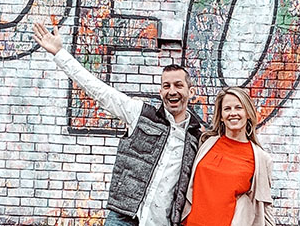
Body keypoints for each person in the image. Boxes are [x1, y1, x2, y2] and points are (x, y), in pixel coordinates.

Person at [32, 23, 203, 226]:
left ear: (191, 92)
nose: (172, 91)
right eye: (166, 86)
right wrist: (60, 53)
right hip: (123, 217)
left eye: (178, 85)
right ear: (160, 92)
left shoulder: (198, 137)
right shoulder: (142, 114)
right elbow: (99, 91)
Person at [181, 87, 275, 226]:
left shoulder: (260, 158)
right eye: (227, 109)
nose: (233, 113)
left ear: (248, 113)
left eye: (238, 108)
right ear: (221, 116)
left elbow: (264, 207)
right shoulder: (207, 143)